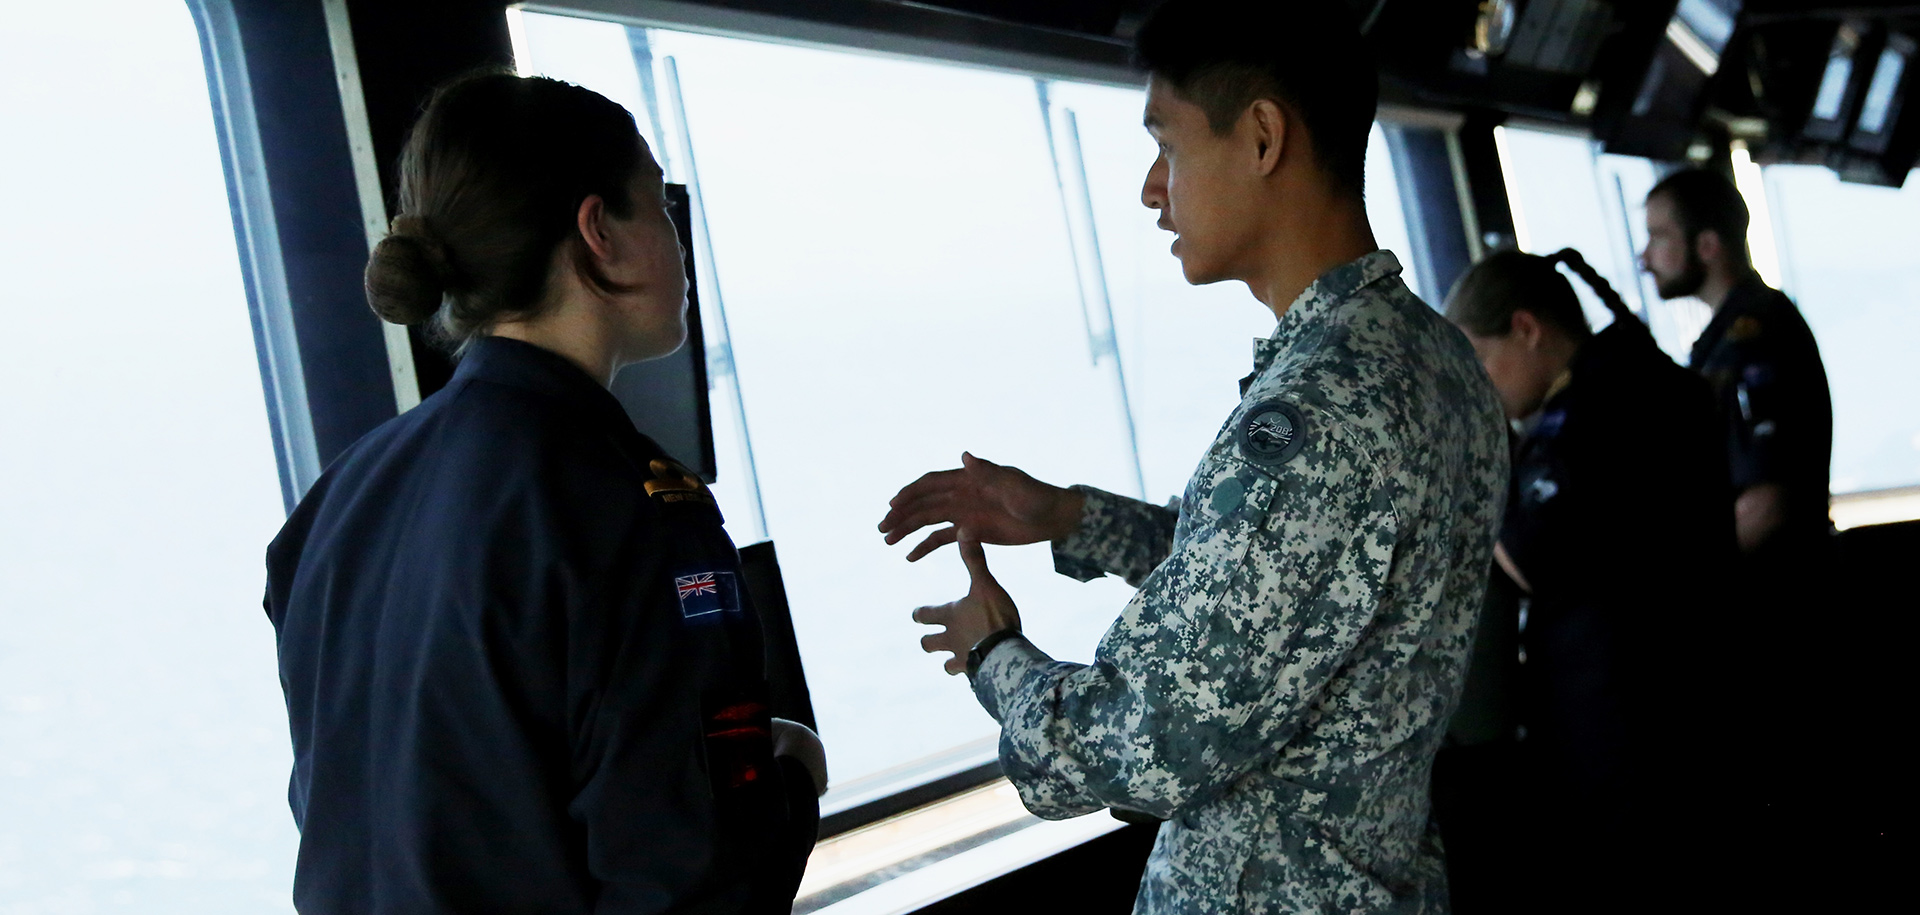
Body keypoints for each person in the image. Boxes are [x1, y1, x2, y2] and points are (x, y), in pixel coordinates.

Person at [878, 3, 1509, 911]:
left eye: (1165, 144)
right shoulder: (1436, 359)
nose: (1149, 187)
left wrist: (995, 656)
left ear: (1261, 138)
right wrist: (1070, 517)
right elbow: (1299, 582)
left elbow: (1148, 740)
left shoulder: (1316, 410)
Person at [264, 74, 823, 914]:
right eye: (658, 208)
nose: (676, 241)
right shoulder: (627, 507)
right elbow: (690, 870)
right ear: (600, 232)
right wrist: (788, 780)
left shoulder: (338, 498)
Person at [1443, 249, 1734, 912]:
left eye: (1482, 362)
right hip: (1661, 712)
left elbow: (1526, 552)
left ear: (1526, 328)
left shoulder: (1599, 406)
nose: (1483, 388)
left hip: (1638, 729)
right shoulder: (1635, 381)